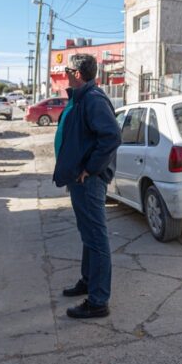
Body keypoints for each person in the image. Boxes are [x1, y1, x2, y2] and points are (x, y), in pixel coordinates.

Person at [52, 53, 121, 319]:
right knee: (88, 235)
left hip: (89, 181)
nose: (65, 73)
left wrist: (90, 168)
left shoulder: (93, 99)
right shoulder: (82, 96)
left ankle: (98, 300)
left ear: (77, 74)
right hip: (79, 179)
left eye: (67, 69)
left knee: (96, 238)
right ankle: (88, 281)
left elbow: (111, 136)